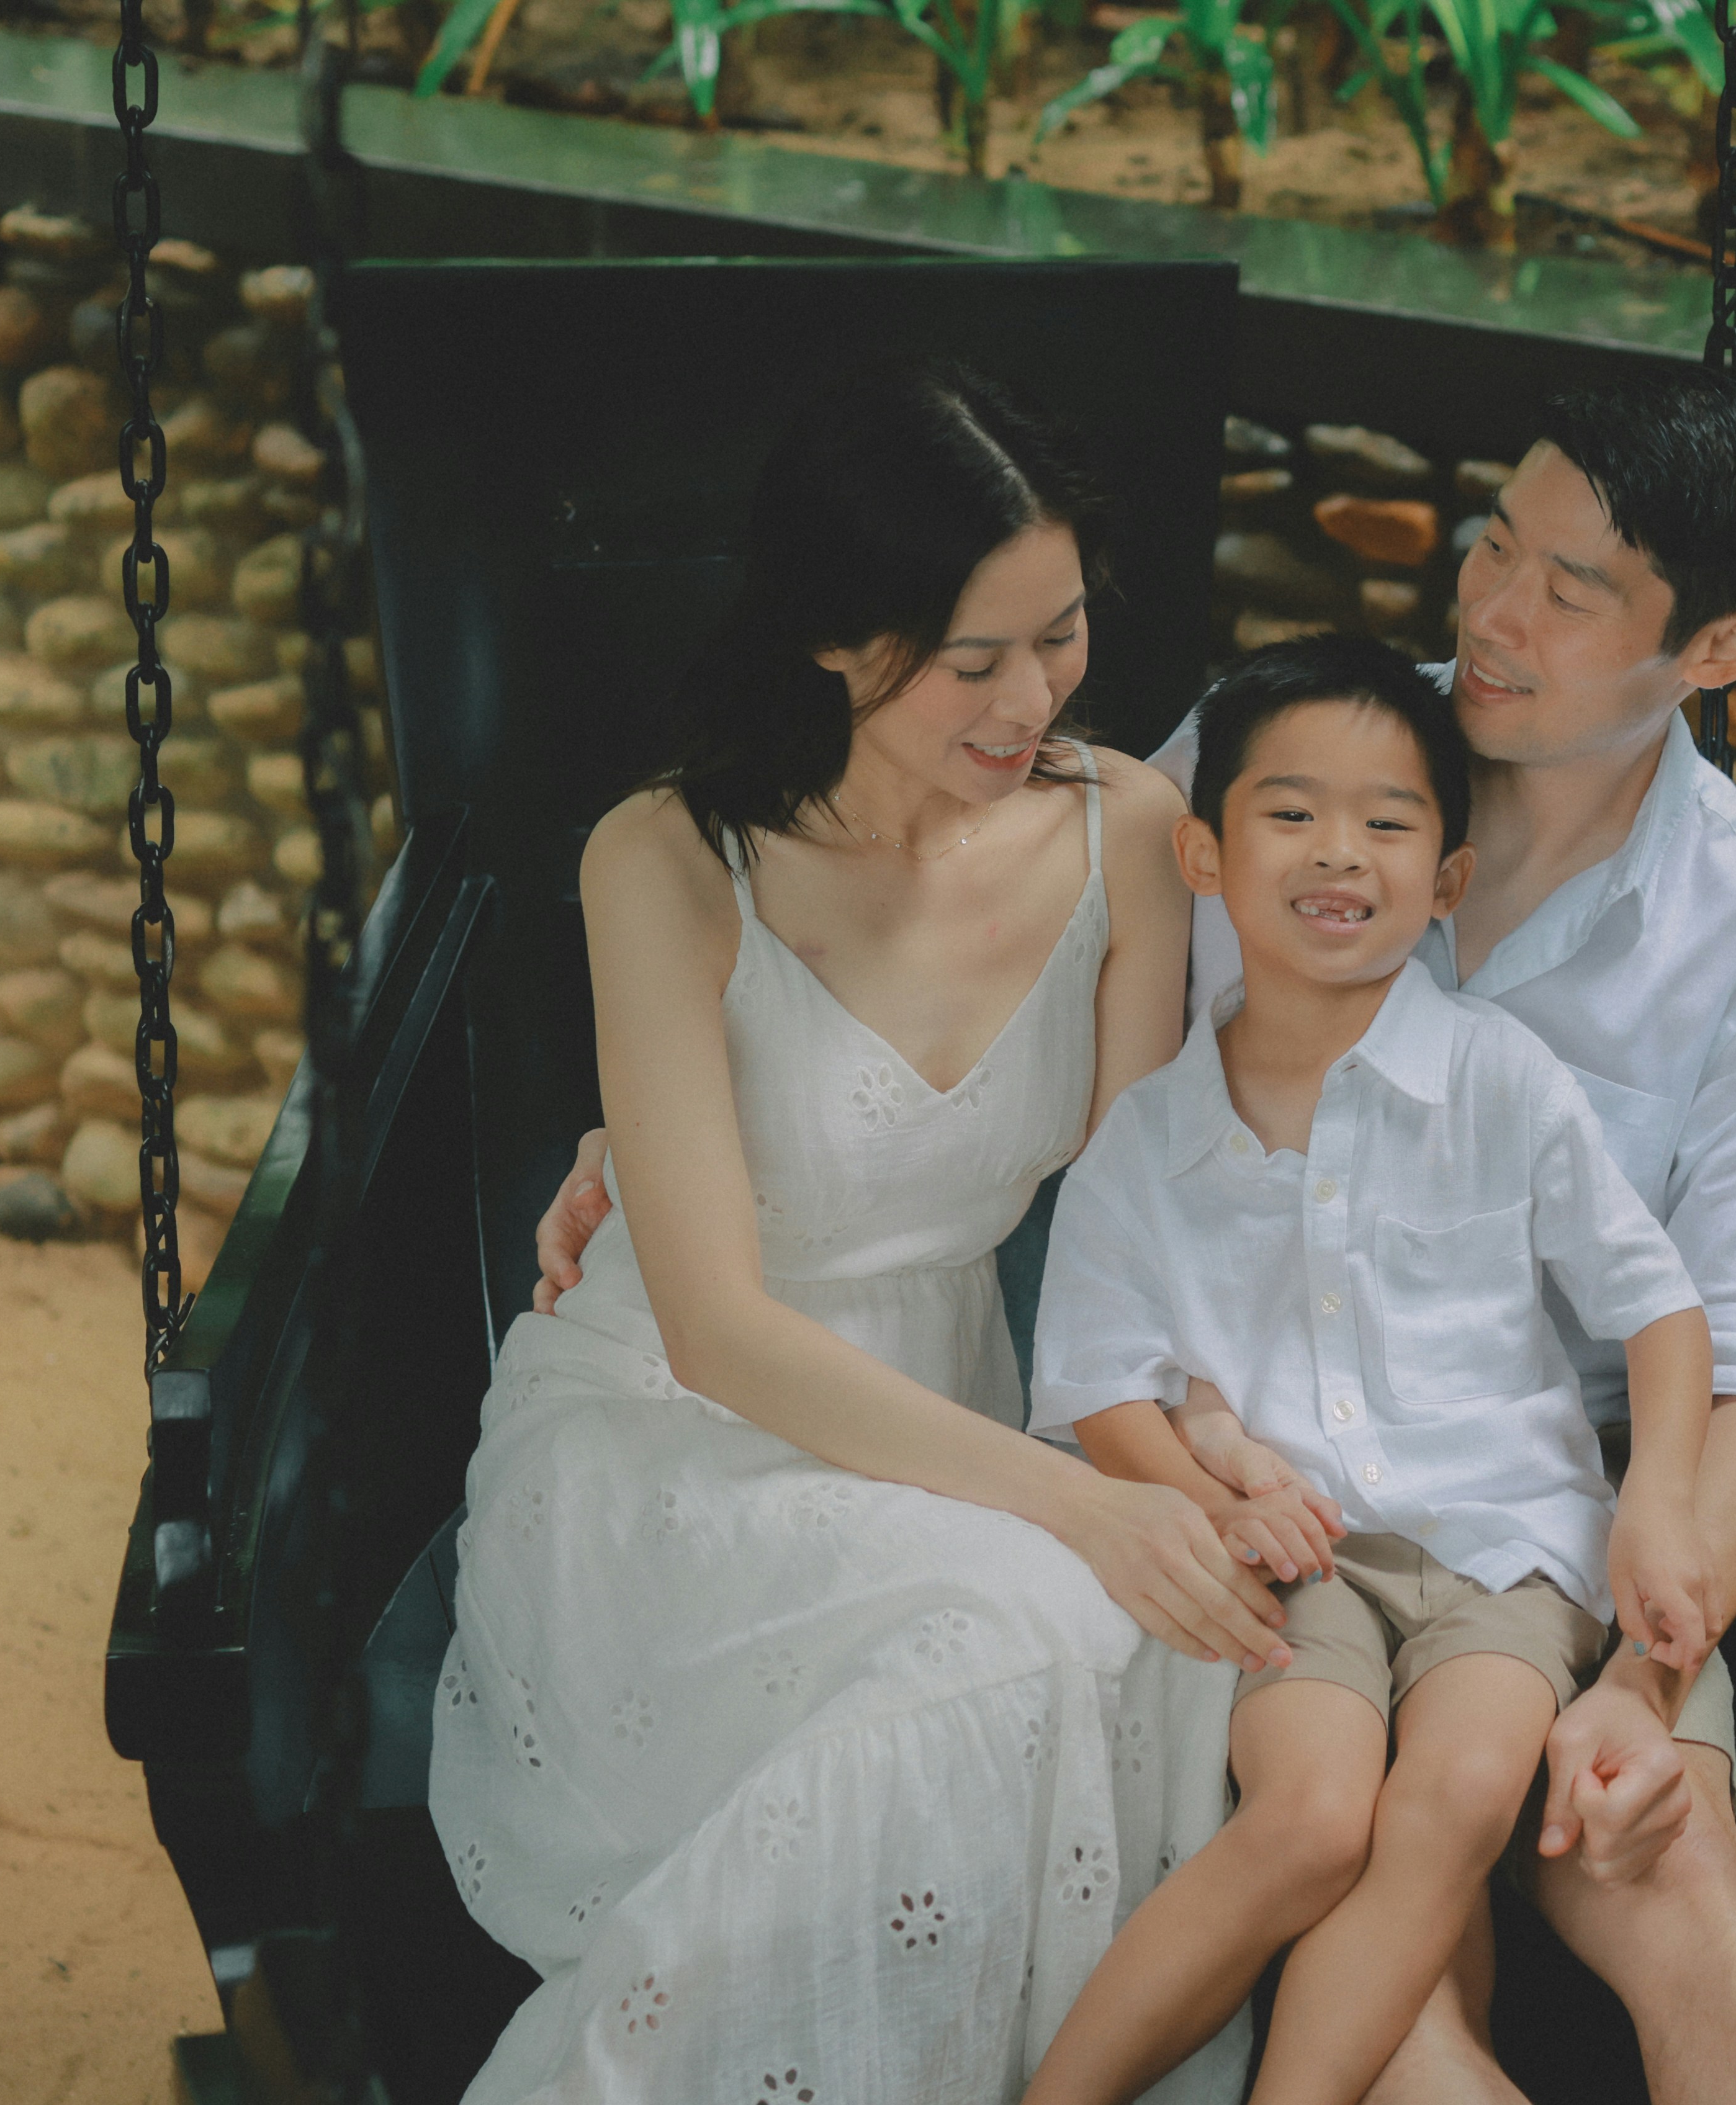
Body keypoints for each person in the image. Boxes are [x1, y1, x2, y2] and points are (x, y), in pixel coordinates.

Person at [536, 368, 1736, 2104]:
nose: (1489, 611)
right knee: (1383, 1950)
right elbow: (1001, 946)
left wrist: (1644, 1665)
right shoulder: (1293, 742)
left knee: (1662, 1854)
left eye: (1570, 590)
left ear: (1717, 652)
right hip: (1251, 1511)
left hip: (1535, 1538)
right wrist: (690, 1099)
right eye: (1492, 547)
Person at [429, 360, 1295, 2105]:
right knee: (1021, 1625)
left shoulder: (1125, 827)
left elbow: (1133, 1217)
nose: (1030, 693)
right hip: (671, 1440)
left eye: (1057, 636)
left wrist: (1192, 1440)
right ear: (834, 635)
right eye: (970, 660)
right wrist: (1082, 1504)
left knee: (1182, 1634)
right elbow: (718, 1332)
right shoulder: (666, 860)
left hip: (953, 1418)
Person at [1017, 639, 1720, 2105]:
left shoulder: (1498, 1079)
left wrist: (1655, 1499)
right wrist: (1203, 1502)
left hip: (1509, 1550)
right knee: (1315, 1813)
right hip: (1301, 1556)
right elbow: (1094, 1384)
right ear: (1205, 854)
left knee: (1458, 1792)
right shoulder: (1147, 1139)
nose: (1342, 853)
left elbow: (1658, 1307)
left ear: (1447, 881)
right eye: (1291, 814)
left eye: (1391, 823)